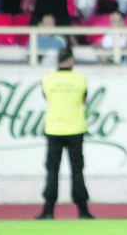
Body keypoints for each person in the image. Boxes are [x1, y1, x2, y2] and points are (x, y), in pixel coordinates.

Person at [37, 48, 93, 220]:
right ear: (71, 60)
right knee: (77, 171)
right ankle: (83, 210)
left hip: (54, 129)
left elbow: (46, 97)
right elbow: (84, 100)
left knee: (52, 170)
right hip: (76, 128)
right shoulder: (80, 79)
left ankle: (48, 210)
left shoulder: (48, 80)